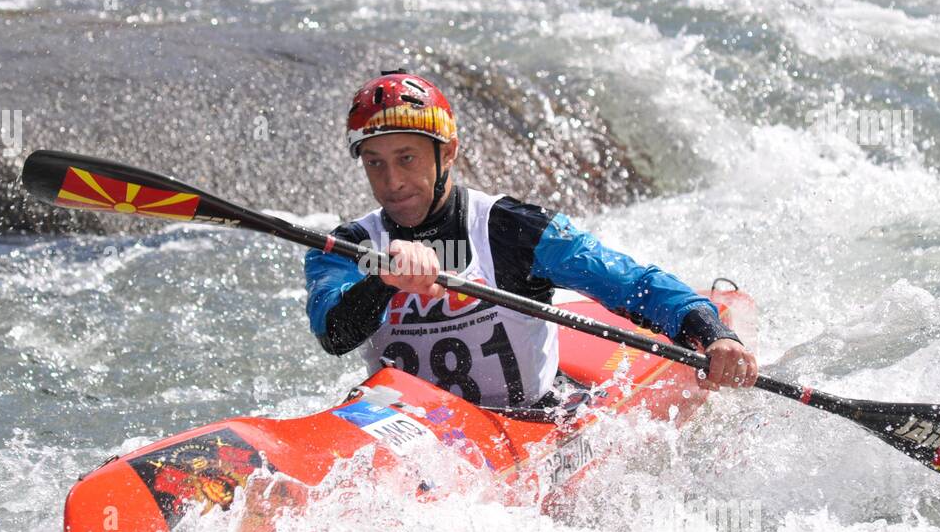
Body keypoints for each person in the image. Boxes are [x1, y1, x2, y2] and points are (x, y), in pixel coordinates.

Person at [304, 70, 758, 409]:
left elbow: (629, 283)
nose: (393, 181)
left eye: (407, 158)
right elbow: (334, 333)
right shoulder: (349, 247)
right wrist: (383, 281)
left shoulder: (511, 229)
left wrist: (711, 331)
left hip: (520, 420)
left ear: (448, 154)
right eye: (375, 163)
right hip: (409, 428)